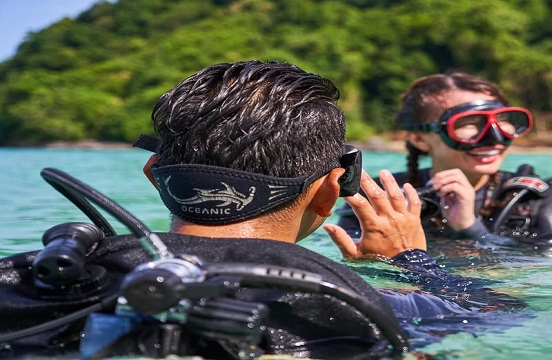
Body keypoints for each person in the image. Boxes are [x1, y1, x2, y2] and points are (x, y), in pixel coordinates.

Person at [0, 61, 524, 359]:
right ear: (328, 193)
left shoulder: (42, 279)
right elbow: (509, 317)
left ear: (154, 174)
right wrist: (416, 260)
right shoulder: (353, 302)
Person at [337, 71, 552, 254]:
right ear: (419, 138)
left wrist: (470, 227)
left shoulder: (537, 200)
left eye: (502, 120)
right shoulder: (380, 198)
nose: (494, 138)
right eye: (469, 124)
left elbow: (538, 276)